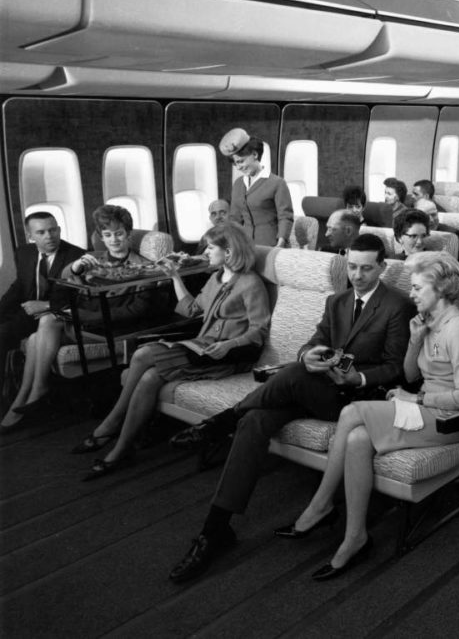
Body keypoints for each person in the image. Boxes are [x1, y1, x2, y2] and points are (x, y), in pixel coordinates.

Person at [166, 233, 415, 583]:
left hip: (357, 400)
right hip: (318, 387)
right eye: (353, 267)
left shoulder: (397, 306)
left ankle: (220, 422)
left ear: (382, 267)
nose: (357, 275)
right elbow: (314, 342)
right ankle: (215, 530)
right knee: (256, 419)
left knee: (294, 375)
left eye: (366, 269)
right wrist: (308, 355)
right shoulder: (337, 301)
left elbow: (395, 366)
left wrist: (356, 377)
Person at [278, 252, 459, 580]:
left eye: (418, 288)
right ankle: (355, 536)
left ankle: (320, 505)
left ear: (441, 290)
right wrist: (415, 342)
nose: (411, 294)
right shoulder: (428, 322)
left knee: (351, 411)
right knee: (358, 438)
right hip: (424, 412)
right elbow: (409, 373)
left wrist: (415, 397)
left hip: (450, 421)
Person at [75, 224, 271, 480]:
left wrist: (229, 345)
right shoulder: (216, 278)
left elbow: (259, 330)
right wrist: (174, 277)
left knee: (142, 354)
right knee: (149, 378)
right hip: (204, 348)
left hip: (229, 355)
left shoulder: (250, 283)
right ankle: (122, 449)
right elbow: (193, 310)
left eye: (211, 247)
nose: (205, 252)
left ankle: (110, 424)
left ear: (229, 251)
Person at [15, 206, 161, 418]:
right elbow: (66, 282)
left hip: (110, 328)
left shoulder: (144, 267)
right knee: (36, 336)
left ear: (129, 235)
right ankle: (26, 396)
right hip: (85, 323)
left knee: (47, 322)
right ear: (101, 237)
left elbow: (136, 309)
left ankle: (36, 393)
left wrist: (83, 316)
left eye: (119, 234)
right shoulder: (93, 259)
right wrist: (74, 269)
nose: (114, 240)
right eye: (108, 235)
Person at [0, 212, 86, 432]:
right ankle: (7, 399)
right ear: (31, 236)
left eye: (53, 229)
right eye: (41, 232)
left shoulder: (76, 256)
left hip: (56, 313)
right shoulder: (25, 253)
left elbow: (77, 298)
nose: (49, 236)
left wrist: (45, 304)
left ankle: (20, 401)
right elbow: (19, 287)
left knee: (30, 334)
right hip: (29, 313)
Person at [221, 128, 293, 247]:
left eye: (241, 161)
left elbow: (285, 217)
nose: (238, 167)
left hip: (271, 244)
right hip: (246, 245)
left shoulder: (277, 183)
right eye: (235, 164)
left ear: (255, 154)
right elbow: (235, 218)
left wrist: (280, 243)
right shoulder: (238, 184)